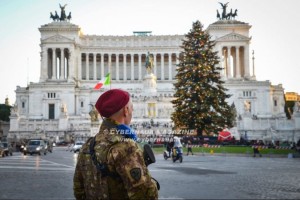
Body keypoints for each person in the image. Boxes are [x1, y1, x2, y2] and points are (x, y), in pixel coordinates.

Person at [73, 89, 158, 199]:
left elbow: (78, 190)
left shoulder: (88, 145)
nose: (132, 111)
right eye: (132, 108)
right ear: (126, 111)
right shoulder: (126, 147)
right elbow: (146, 195)